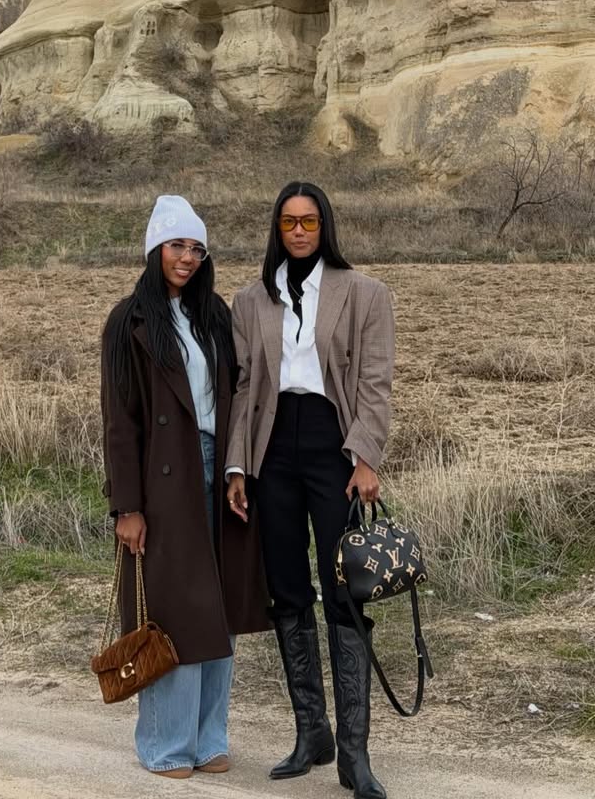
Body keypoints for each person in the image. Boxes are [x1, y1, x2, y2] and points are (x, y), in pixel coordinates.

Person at [225, 181, 395, 799]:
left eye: (309, 222)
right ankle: (312, 735)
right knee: (289, 589)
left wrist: (366, 457)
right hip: (273, 447)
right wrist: (238, 466)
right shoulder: (251, 300)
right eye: (289, 223)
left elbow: (376, 383)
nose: (299, 231)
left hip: (332, 445)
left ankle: (355, 756)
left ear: (325, 227)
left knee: (345, 588)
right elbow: (246, 388)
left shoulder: (365, 294)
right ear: (277, 229)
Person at [101, 195, 270, 779]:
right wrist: (127, 505)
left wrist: (237, 468)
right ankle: (164, 745)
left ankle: (207, 737)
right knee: (173, 610)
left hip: (217, 468)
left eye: (198, 249)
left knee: (216, 606)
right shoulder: (129, 320)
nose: (189, 258)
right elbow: (120, 421)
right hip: (161, 478)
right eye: (178, 246)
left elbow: (236, 398)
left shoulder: (213, 315)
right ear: (155, 248)